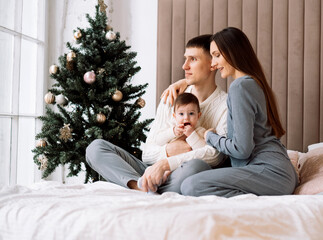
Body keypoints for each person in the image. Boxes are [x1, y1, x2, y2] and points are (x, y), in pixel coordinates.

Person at [86, 34, 228, 194]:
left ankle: (151, 188)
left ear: (212, 64)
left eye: (193, 59)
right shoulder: (172, 96)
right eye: (185, 59)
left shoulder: (225, 105)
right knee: (95, 148)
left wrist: (169, 163)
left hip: (182, 173)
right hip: (150, 169)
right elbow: (147, 154)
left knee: (198, 166)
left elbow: (216, 156)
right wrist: (167, 151)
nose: (184, 66)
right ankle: (139, 186)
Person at [169, 27, 298, 197]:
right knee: (194, 182)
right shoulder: (253, 83)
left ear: (231, 52)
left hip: (270, 173)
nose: (213, 64)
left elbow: (241, 149)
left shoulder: (240, 86)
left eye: (216, 55)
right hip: (277, 173)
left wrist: (210, 137)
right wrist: (185, 82)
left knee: (191, 185)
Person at [137, 92, 208, 191]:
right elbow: (158, 141)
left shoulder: (200, 131)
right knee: (152, 170)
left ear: (198, 115)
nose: (186, 118)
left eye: (191, 113)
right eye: (181, 114)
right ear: (175, 116)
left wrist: (192, 135)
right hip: (164, 166)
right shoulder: (172, 129)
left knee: (175, 174)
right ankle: (147, 182)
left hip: (181, 167)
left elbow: (202, 149)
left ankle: (156, 186)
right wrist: (173, 132)